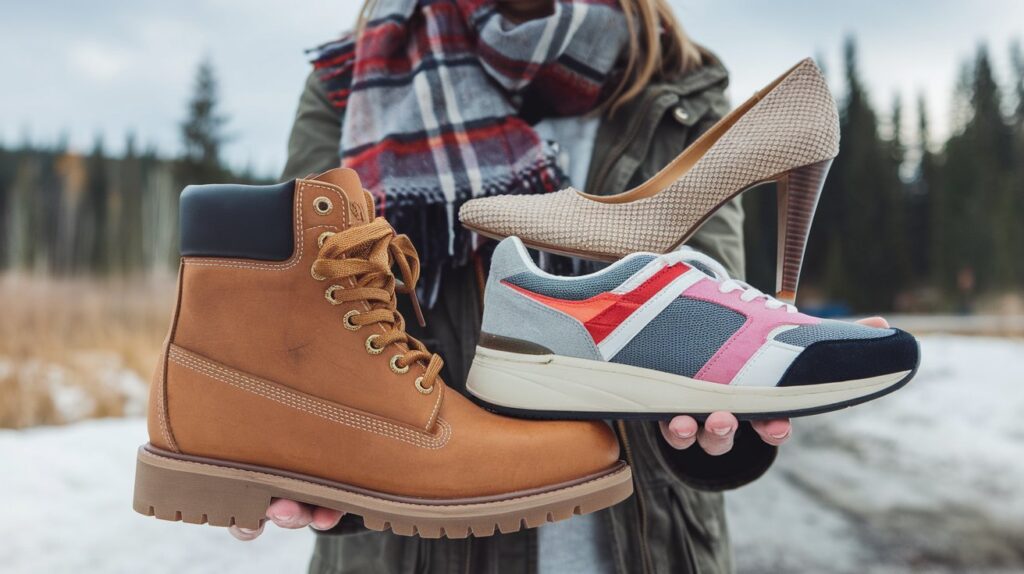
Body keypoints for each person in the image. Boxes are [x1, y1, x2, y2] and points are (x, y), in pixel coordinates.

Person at [230, 1, 888, 571]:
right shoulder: (350, 83)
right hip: (413, 549)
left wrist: (716, 418)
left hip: (644, 548)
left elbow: (718, 287)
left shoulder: (678, 82)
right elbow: (319, 312)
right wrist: (320, 461)